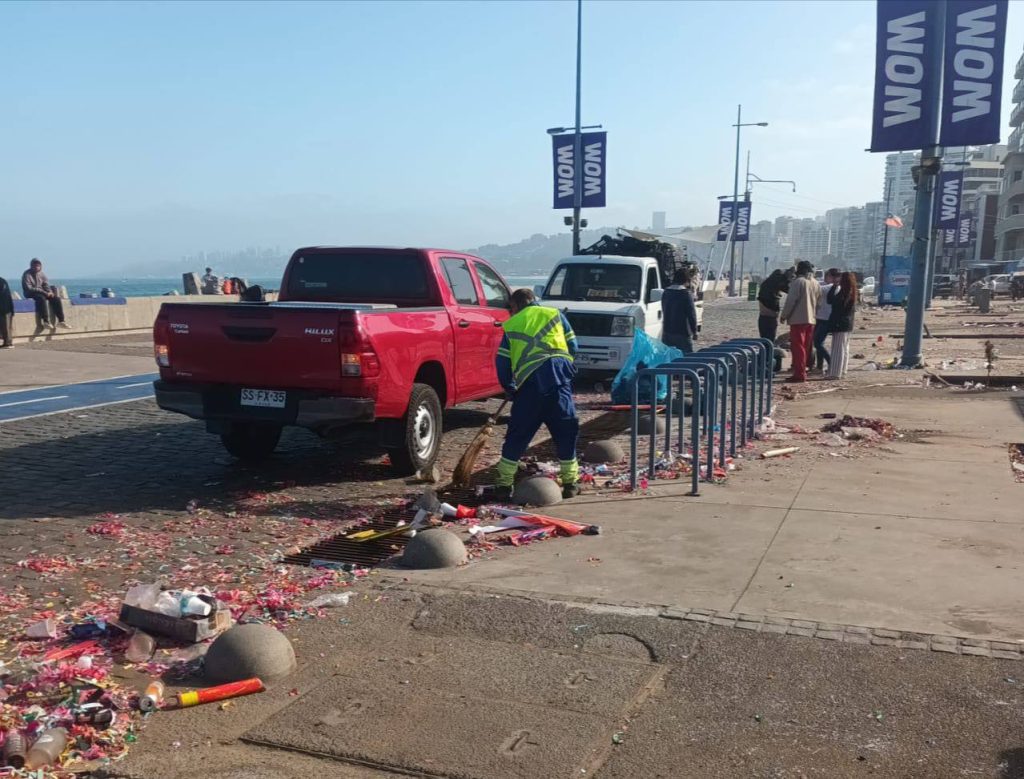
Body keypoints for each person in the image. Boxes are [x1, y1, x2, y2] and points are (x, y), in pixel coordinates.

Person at [495, 288, 580, 502]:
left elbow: (502, 362)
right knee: (566, 432)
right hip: (559, 385)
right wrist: (564, 367)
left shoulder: (511, 325)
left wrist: (509, 386)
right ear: (535, 300)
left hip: (529, 390)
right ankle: (570, 484)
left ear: (515, 306)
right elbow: (573, 345)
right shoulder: (555, 314)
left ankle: (504, 486)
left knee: (517, 436)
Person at [779, 260, 820, 383]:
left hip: (798, 319)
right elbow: (819, 303)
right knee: (806, 347)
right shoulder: (815, 283)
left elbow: (791, 301)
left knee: (798, 348)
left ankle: (799, 374)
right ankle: (803, 370)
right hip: (811, 319)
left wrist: (784, 315)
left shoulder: (798, 282)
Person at [826, 271, 858, 380]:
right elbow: (830, 300)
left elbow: (833, 302)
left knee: (838, 349)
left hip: (840, 324)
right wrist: (834, 287)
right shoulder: (851, 292)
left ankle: (835, 373)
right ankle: (842, 370)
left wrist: (835, 287)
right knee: (844, 348)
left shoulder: (845, 294)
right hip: (846, 324)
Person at [22, 259, 71, 330]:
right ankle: (46, 322)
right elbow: (29, 288)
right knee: (41, 298)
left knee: (56, 299)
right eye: (35, 266)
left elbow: (46, 285)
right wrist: (45, 293)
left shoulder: (42, 274)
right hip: (30, 293)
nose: (36, 267)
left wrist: (50, 292)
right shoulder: (27, 274)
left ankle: (61, 321)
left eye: (38, 266)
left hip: (42, 292)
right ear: (31, 266)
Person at [810, 268, 841, 374]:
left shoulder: (830, 287)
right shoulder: (833, 287)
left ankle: (831, 363)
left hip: (825, 319)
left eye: (827, 276)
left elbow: (815, 288)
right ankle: (819, 367)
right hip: (821, 317)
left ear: (831, 277)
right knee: (819, 343)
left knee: (818, 343)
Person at [661, 269, 698, 353]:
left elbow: (664, 309)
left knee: (669, 357)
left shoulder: (666, 292)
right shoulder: (686, 294)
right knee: (687, 358)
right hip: (683, 332)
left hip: (668, 331)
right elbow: (691, 314)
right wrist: (694, 331)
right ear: (686, 280)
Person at [756, 269, 792, 343]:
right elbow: (790, 290)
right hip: (771, 315)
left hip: (763, 316)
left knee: (765, 339)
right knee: (770, 339)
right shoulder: (779, 281)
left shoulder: (767, 283)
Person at [0, 276, 14, 348]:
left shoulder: (1, 282)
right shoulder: (3, 281)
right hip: (7, 306)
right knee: (7, 326)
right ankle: (8, 342)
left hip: (4, 307)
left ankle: (8, 343)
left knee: (5, 325)